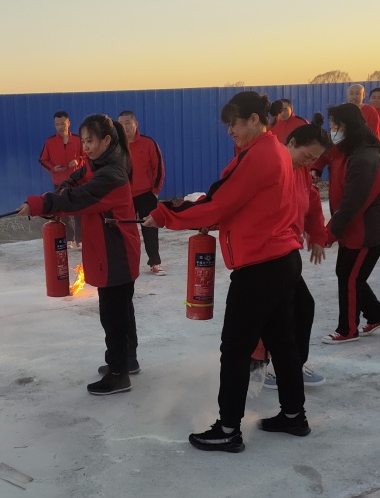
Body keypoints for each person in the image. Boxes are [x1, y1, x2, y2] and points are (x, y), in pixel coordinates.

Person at [144, 91, 308, 452]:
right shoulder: (272, 150)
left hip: (261, 266)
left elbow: (220, 204)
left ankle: (228, 429)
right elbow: (235, 201)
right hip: (279, 259)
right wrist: (184, 209)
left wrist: (165, 216)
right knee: (282, 343)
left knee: (235, 348)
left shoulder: (261, 155)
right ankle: (294, 415)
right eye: (227, 125)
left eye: (234, 123)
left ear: (254, 120)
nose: (230, 130)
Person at [18, 114, 141, 395]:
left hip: (116, 251)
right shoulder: (101, 164)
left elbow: (78, 199)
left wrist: (40, 204)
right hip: (116, 248)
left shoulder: (111, 174)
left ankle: (119, 373)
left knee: (114, 315)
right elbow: (75, 181)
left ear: (106, 141)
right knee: (122, 309)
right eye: (83, 141)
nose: (85, 147)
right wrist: (61, 190)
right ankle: (127, 361)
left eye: (90, 141)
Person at [252, 114, 332, 390]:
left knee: (301, 307)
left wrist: (317, 236)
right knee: (270, 310)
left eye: (314, 160)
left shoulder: (300, 171)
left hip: (286, 252)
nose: (309, 163)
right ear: (293, 143)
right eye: (307, 156)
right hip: (263, 253)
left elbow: (312, 202)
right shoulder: (270, 166)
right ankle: (258, 365)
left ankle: (291, 365)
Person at [321, 103, 380, 344]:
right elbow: (325, 154)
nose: (332, 131)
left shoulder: (364, 158)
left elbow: (353, 203)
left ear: (348, 127)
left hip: (366, 231)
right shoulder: (347, 149)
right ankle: (376, 314)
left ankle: (347, 329)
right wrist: (314, 169)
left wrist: (329, 233)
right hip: (352, 228)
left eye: (335, 126)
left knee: (350, 277)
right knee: (348, 274)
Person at [118, 111, 166, 276]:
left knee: (150, 228)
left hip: (146, 194)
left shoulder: (148, 143)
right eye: (121, 123)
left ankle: (155, 262)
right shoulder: (116, 146)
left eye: (128, 122)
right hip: (124, 196)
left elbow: (158, 167)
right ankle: (126, 264)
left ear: (135, 124)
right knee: (125, 230)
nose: (125, 127)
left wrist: (155, 191)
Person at [39, 111, 85, 248]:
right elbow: (43, 160)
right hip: (59, 182)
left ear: (68, 123)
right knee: (63, 211)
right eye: (57, 124)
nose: (60, 127)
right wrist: (53, 168)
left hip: (77, 180)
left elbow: (87, 155)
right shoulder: (50, 142)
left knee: (79, 210)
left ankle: (80, 239)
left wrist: (78, 161)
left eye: (62, 124)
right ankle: (69, 238)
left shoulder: (77, 139)